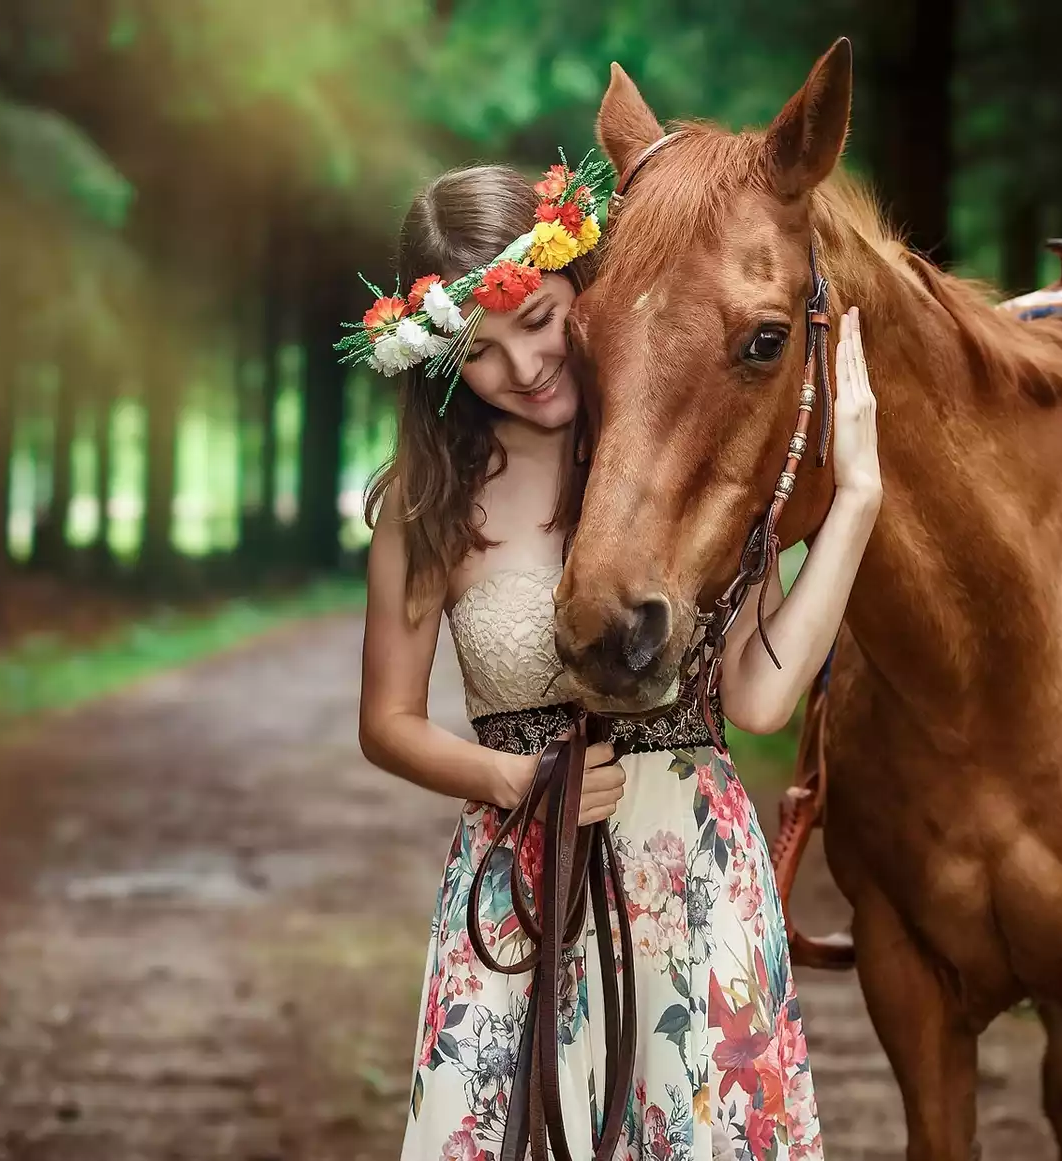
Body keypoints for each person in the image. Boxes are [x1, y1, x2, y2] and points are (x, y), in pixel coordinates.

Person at [351, 157, 882, 1161]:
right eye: (483, 352)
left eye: (541, 320)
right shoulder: (430, 513)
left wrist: (853, 502)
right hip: (524, 887)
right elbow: (387, 723)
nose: (526, 367)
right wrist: (516, 778)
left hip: (694, 879)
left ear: (581, 289)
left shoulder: (671, 468)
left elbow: (761, 698)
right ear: (441, 363)